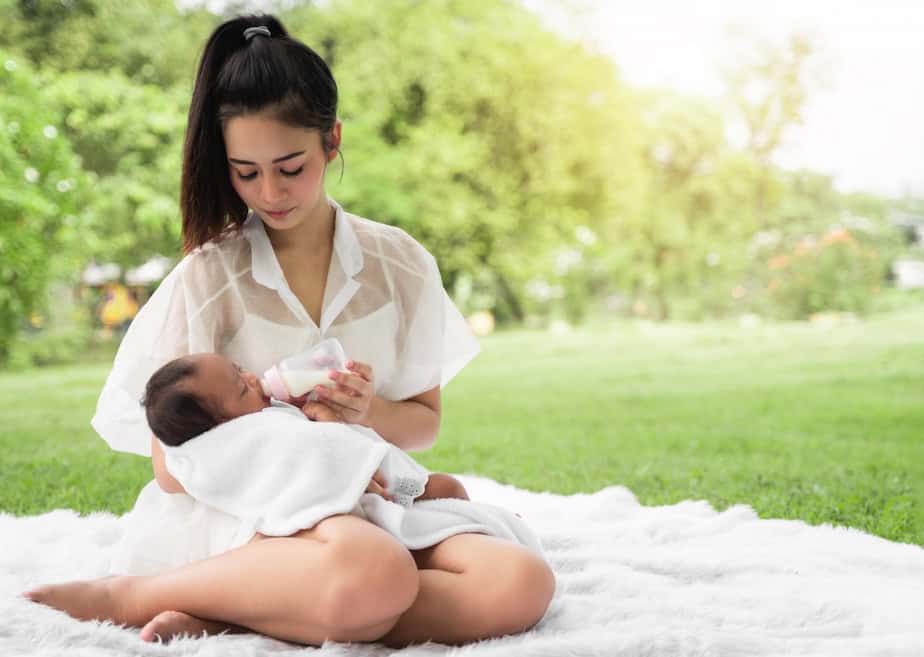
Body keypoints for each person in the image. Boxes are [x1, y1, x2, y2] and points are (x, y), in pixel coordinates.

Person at [24, 14, 554, 648]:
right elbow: (172, 466)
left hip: (364, 503)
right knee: (375, 571)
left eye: (290, 166)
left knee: (519, 581)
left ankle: (247, 611)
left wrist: (365, 413)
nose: (269, 192)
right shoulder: (208, 277)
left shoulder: (400, 265)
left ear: (332, 141)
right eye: (245, 172)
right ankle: (135, 595)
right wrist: (277, 431)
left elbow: (424, 422)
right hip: (250, 520)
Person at [143, 351, 469, 502]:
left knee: (447, 490)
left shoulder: (271, 412)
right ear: (225, 430)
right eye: (242, 388)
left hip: (385, 483)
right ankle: (478, 533)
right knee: (447, 492)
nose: (252, 377)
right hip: (368, 494)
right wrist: (326, 424)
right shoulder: (261, 437)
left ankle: (484, 530)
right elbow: (320, 459)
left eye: (239, 369)